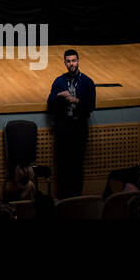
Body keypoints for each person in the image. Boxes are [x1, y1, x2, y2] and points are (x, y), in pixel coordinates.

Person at [47, 48, 96, 198]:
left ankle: (76, 197)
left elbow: (91, 106)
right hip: (63, 129)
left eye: (74, 61)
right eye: (68, 61)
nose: (71, 64)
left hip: (79, 129)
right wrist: (60, 96)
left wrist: (77, 100)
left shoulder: (87, 82)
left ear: (78, 61)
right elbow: (50, 104)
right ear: (65, 63)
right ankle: (63, 197)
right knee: (62, 165)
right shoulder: (59, 81)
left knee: (77, 165)